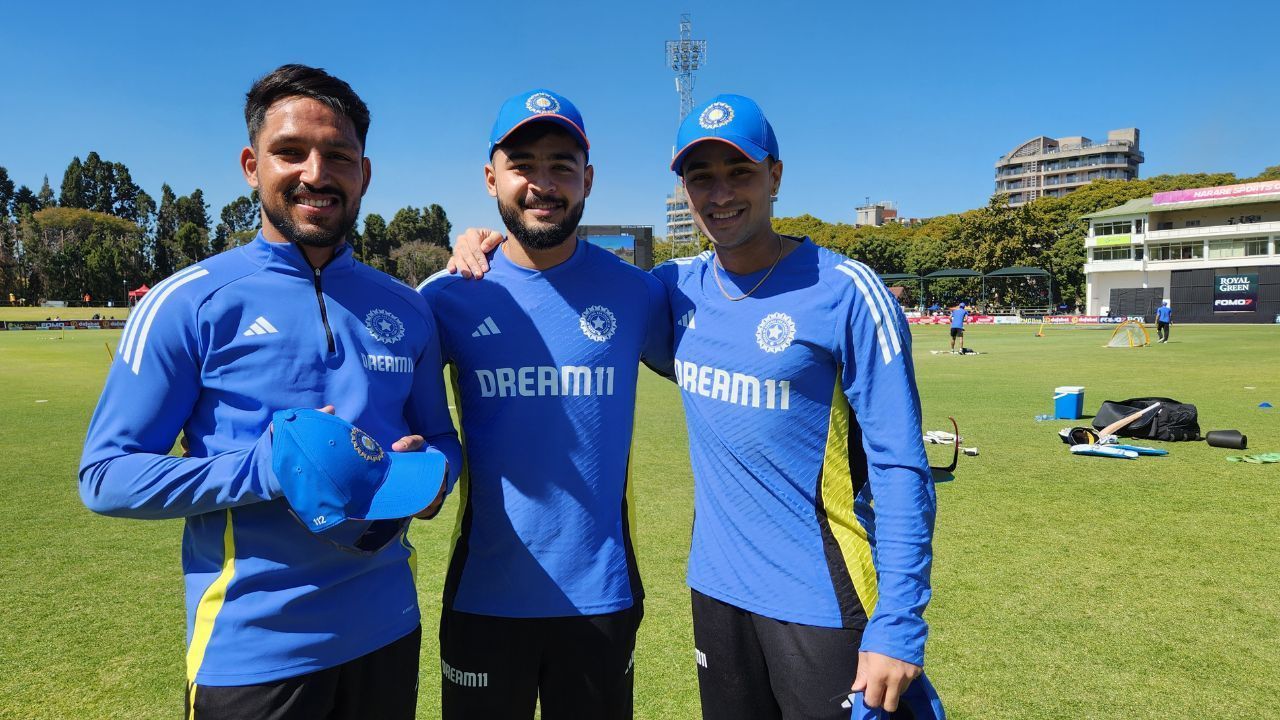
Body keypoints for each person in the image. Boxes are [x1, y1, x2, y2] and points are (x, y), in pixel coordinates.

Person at [449, 94, 938, 719]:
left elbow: (901, 467)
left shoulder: (844, 291)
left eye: (740, 172)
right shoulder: (676, 291)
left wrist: (898, 624)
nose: (721, 193)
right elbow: (552, 289)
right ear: (683, 190)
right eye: (700, 177)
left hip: (825, 597)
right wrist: (480, 240)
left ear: (776, 177)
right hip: (716, 596)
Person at [79, 64, 461, 720]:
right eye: (290, 152)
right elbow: (105, 477)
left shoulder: (407, 308)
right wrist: (261, 470)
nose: (316, 173)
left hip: (389, 630)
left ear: (363, 173)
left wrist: (427, 479)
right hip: (252, 654)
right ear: (252, 165)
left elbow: (444, 442)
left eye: (338, 155)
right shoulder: (189, 302)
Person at [417, 89, 672, 720]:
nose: (543, 183)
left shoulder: (638, 293)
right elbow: (396, 411)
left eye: (562, 165)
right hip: (484, 593)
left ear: (587, 178)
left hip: (602, 597)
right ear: (491, 177)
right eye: (523, 164)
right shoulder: (447, 295)